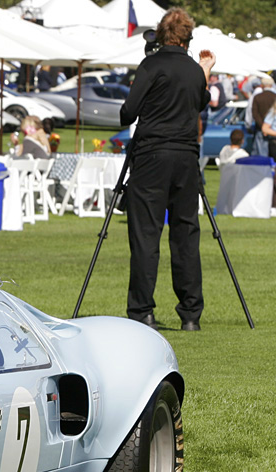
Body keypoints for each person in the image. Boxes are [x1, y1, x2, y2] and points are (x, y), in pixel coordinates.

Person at [120, 8, 214, 332]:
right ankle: (191, 314)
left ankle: (142, 310)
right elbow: (200, 102)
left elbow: (127, 112)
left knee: (146, 235)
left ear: (161, 34)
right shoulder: (193, 71)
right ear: (188, 37)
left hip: (151, 156)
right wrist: (204, 72)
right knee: (186, 233)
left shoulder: (151, 65)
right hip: (187, 158)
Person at [249, 76, 276, 156]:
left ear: (262, 85)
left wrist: (262, 126)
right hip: (270, 129)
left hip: (261, 129)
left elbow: (255, 114)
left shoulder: (257, 97)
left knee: (262, 155)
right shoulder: (274, 96)